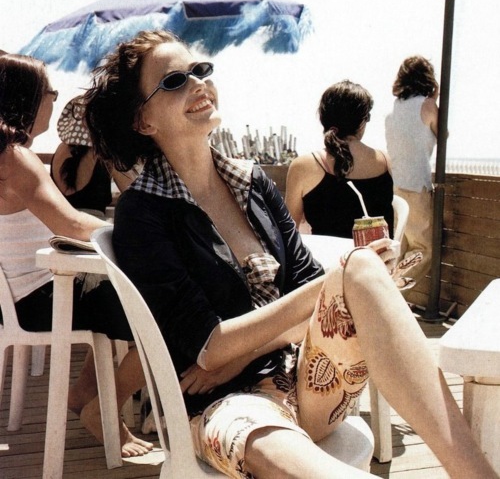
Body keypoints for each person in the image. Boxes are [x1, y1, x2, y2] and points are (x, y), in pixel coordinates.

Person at [84, 30, 497, 479]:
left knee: (361, 267)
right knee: (350, 271)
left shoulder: (253, 184)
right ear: (144, 121)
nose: (198, 83)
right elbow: (208, 347)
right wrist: (332, 283)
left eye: (200, 70)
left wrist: (245, 353)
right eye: (174, 80)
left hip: (308, 377)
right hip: (223, 406)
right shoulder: (143, 212)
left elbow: (303, 300)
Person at [0, 53, 152, 457]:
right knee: (166, 307)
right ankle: (102, 407)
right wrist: (147, 235)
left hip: (24, 298)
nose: (53, 100)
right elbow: (70, 224)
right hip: (43, 299)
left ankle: (85, 394)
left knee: (128, 294)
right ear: (28, 99)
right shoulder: (15, 159)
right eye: (50, 92)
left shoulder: (9, 157)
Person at [285, 80, 394, 239]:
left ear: (323, 118)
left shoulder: (303, 166)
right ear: (362, 122)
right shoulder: (385, 161)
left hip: (327, 255)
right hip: (378, 254)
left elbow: (288, 232)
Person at [385, 55, 439, 291]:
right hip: (417, 186)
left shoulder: (394, 109)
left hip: (396, 187)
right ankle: (392, 294)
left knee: (402, 248)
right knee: (423, 251)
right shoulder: (427, 105)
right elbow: (443, 134)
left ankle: (386, 292)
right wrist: (435, 98)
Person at [50, 95, 137, 218]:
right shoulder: (104, 153)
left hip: (59, 223)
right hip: (93, 225)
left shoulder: (60, 149)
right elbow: (134, 193)